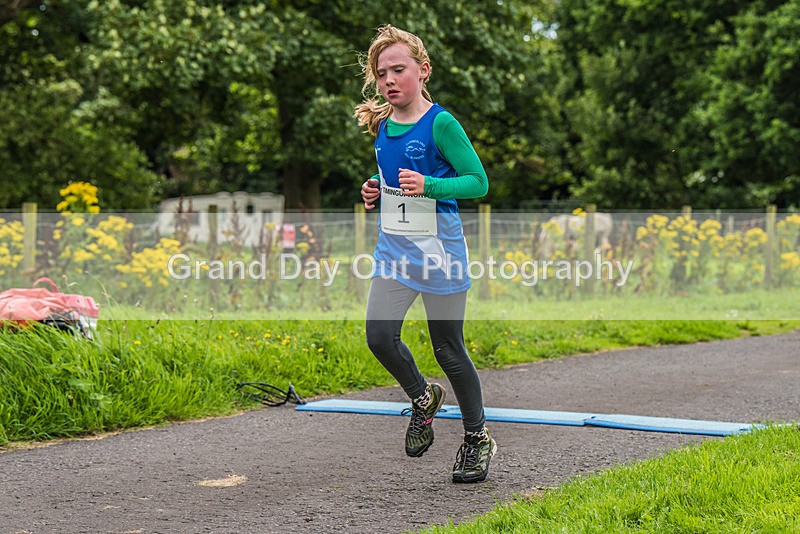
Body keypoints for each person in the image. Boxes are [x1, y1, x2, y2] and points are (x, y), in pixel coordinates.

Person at [353, 24, 496, 483]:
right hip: (394, 250)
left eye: (399, 70)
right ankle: (421, 396)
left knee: (449, 350)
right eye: (381, 73)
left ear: (423, 70)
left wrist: (430, 185)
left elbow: (478, 182)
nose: (389, 80)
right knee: (379, 335)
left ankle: (477, 440)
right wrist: (375, 190)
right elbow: (393, 177)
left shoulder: (442, 123)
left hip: (439, 252)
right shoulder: (381, 124)